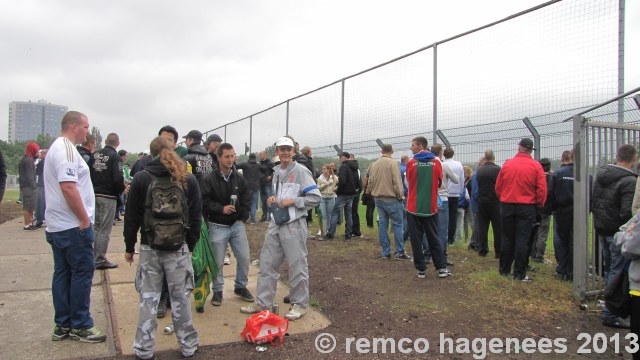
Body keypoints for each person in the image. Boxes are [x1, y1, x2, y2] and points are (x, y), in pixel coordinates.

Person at [123, 136, 202, 359]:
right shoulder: (187, 179)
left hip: (150, 248)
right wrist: (190, 245)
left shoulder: (140, 178)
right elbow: (196, 218)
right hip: (179, 248)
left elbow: (131, 217)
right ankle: (188, 345)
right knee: (181, 299)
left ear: (151, 152)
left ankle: (144, 350)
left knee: (148, 299)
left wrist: (130, 246)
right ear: (173, 150)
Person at [241, 136, 321, 320]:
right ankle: (263, 303)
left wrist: (294, 201)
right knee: (267, 263)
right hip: (276, 222)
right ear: (276, 152)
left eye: (288, 149)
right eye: (281, 149)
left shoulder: (301, 171)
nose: (285, 152)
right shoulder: (277, 171)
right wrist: (273, 200)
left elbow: (315, 197)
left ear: (293, 152)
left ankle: (299, 304)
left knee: (296, 265)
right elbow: (281, 195)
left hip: (294, 225)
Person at [45, 110, 106, 343]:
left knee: (62, 273)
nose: (88, 132)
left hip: (58, 225)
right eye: (86, 127)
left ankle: (63, 325)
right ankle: (80, 324)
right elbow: (68, 187)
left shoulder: (56, 148)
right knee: (81, 272)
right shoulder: (67, 150)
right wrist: (83, 219)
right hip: (72, 226)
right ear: (73, 126)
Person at [200, 143, 254, 307]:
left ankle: (240, 286)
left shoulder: (239, 178)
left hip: (237, 225)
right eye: (227, 156)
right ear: (219, 157)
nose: (231, 160)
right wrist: (221, 209)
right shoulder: (208, 179)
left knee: (244, 258)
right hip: (217, 225)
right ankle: (217, 290)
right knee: (217, 261)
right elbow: (204, 201)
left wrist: (242, 217)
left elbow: (246, 198)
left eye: (233, 156)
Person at [592, 144, 637, 329]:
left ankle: (607, 302)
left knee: (610, 268)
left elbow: (595, 201)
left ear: (617, 156)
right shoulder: (629, 181)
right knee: (617, 271)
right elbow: (628, 211)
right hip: (617, 231)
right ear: (633, 159)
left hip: (602, 227)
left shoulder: (601, 176)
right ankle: (611, 313)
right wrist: (628, 229)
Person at [495, 138, 547, 282]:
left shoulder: (507, 164)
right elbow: (541, 189)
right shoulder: (536, 166)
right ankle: (519, 273)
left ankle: (504, 270)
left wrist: (504, 198)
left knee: (507, 238)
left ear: (519, 148)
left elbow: (498, 187)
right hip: (527, 206)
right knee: (522, 239)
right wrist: (539, 205)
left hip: (507, 204)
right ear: (530, 150)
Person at [405, 136, 452, 279]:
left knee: (416, 239)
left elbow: (409, 182)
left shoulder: (411, 163)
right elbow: (439, 183)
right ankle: (441, 268)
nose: (411, 148)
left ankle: (421, 269)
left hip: (413, 207)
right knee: (434, 237)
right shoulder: (436, 162)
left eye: (413, 145)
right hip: (430, 207)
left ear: (420, 146)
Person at [365, 144, 409, 259]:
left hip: (378, 198)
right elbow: (397, 181)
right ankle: (399, 251)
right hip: (391, 198)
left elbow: (370, 181)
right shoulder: (392, 163)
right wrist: (401, 195)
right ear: (392, 151)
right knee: (398, 225)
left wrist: (370, 191)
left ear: (381, 151)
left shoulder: (374, 164)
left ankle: (385, 251)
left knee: (383, 225)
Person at [89, 133, 125, 270]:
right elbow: (118, 178)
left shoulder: (95, 155)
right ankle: (99, 259)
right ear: (118, 142)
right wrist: (120, 190)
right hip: (108, 195)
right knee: (104, 229)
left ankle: (92, 256)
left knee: (96, 227)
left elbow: (88, 173)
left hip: (94, 193)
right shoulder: (116, 157)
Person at [427, 144, 458, 265]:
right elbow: (456, 179)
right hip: (442, 198)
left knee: (429, 228)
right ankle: (442, 256)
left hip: (429, 198)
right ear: (440, 153)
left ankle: (427, 254)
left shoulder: (428, 165)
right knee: (442, 230)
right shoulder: (443, 165)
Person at [546, 151, 574, 280]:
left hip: (561, 211)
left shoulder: (557, 174)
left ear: (562, 159)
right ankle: (572, 270)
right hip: (577, 212)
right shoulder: (584, 174)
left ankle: (561, 268)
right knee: (574, 241)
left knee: (560, 240)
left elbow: (550, 193)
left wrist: (550, 209)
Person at [476, 149, 502, 258]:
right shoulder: (499, 170)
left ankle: (483, 249)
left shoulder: (480, 170)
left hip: (482, 201)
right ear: (493, 158)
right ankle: (498, 251)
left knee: (483, 226)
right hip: (495, 201)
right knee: (498, 227)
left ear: (485, 158)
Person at [326, 152, 358, 240]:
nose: (339, 159)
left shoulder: (344, 167)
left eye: (340, 157)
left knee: (335, 213)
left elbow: (342, 181)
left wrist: (338, 191)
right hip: (352, 193)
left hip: (343, 194)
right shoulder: (354, 167)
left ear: (344, 157)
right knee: (348, 214)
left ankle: (330, 234)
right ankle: (348, 234)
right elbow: (357, 180)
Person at [531, 157, 553, 263]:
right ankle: (539, 256)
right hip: (546, 208)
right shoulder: (552, 178)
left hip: (534, 207)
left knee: (533, 231)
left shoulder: (536, 176)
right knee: (543, 233)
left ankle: (532, 253)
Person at [444, 147, 464, 245]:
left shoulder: (443, 164)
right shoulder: (458, 164)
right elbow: (461, 179)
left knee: (444, 216)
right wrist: (460, 191)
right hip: (455, 193)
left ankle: (444, 235)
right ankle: (451, 239)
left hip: (445, 193)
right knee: (453, 217)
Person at [236, 153, 263, 224]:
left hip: (247, 186)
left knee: (246, 203)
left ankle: (245, 218)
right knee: (254, 203)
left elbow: (235, 166)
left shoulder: (245, 165)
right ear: (255, 158)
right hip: (256, 186)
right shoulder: (258, 165)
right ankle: (253, 219)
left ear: (249, 158)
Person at [19, 141, 39, 230]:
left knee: (30, 206)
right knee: (28, 206)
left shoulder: (26, 159)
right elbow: (29, 175)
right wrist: (34, 186)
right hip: (28, 187)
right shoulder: (28, 161)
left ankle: (30, 223)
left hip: (26, 186)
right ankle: (27, 224)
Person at [317, 164, 338, 239]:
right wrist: (324, 185)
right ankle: (322, 230)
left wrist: (334, 189)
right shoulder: (320, 178)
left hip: (331, 197)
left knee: (329, 215)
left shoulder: (334, 177)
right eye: (322, 169)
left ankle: (328, 230)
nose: (323, 170)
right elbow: (318, 188)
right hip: (322, 197)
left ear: (329, 170)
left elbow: (339, 184)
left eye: (325, 169)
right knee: (323, 215)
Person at [348, 153, 363, 238]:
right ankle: (351, 230)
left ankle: (356, 231)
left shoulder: (355, 169)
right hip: (354, 192)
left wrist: (357, 191)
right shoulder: (354, 168)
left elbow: (357, 181)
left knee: (353, 212)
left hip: (354, 193)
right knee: (350, 212)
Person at [258, 150, 275, 222]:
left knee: (270, 201)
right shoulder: (258, 164)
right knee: (263, 202)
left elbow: (275, 171)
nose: (260, 156)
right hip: (261, 184)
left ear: (265, 155)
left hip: (268, 184)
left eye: (261, 155)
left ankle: (271, 217)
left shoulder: (270, 163)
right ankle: (264, 216)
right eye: (259, 155)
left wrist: (271, 176)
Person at [35, 149, 48, 228]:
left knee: (40, 203)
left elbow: (36, 171)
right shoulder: (48, 162)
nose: (40, 155)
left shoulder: (42, 163)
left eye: (41, 153)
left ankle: (39, 219)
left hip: (41, 184)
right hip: (45, 185)